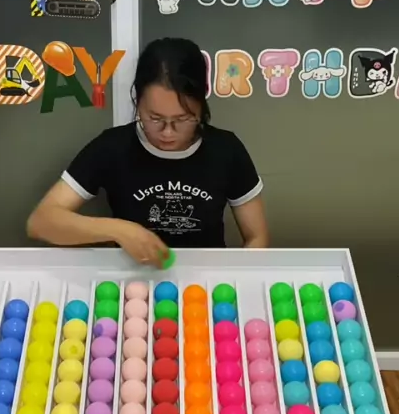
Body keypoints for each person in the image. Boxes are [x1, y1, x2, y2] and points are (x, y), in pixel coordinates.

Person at [27, 37, 269, 265]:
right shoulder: (112, 147)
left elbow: (256, 237)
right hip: (132, 282)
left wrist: (240, 279)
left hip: (206, 283)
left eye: (183, 119)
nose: (167, 132)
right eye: (154, 118)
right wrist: (118, 230)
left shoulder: (226, 150)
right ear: (138, 100)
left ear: (201, 103)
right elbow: (41, 222)